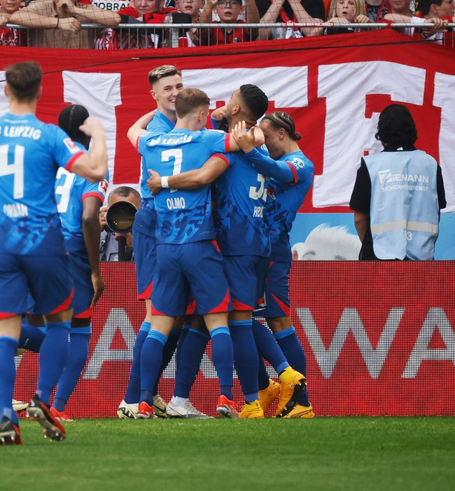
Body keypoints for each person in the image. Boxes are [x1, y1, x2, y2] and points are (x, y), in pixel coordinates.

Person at [0, 61, 107, 445]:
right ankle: (44, 400)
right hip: (45, 244)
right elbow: (95, 171)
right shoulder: (49, 136)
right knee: (61, 324)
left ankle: (7, 417)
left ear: (6, 91)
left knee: (5, 331)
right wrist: (97, 134)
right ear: (39, 92)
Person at [146, 88, 308, 420]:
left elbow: (202, 177)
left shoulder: (232, 147)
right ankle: (260, 389)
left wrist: (163, 181)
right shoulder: (254, 143)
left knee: (234, 321)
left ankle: (257, 394)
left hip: (226, 244)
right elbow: (255, 136)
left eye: (228, 101)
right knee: (222, 320)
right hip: (255, 245)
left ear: (234, 107)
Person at [127, 87, 247, 420]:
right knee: (217, 323)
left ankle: (144, 402)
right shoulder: (207, 138)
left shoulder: (150, 142)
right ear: (201, 114)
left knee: (158, 326)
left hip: (165, 248)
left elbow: (131, 131)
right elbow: (251, 141)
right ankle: (226, 398)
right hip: (199, 244)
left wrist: (155, 110)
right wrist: (233, 123)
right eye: (206, 114)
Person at [231, 111, 316, 418]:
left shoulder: (301, 164)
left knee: (277, 321)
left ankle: (300, 400)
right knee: (238, 316)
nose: (262, 143)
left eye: (266, 137)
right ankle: (266, 387)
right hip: (257, 248)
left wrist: (248, 148)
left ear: (282, 133)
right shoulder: (276, 161)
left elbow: (270, 168)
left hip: (272, 250)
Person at [117, 64, 182, 420]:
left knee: (176, 318)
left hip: (179, 228)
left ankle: (149, 393)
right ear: (154, 95)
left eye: (179, 86)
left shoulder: (180, 123)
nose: (174, 92)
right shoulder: (159, 131)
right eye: (167, 88)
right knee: (157, 315)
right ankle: (132, 398)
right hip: (157, 224)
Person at [50, 104, 108, 422]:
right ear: (87, 129)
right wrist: (95, 271)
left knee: (37, 323)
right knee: (79, 329)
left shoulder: (47, 161)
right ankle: (55, 407)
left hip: (37, 248)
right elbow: (89, 216)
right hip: (71, 253)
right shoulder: (91, 165)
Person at [349, 104, 446, 261]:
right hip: (423, 259)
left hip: (378, 259)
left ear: (382, 132)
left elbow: (359, 219)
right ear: (412, 130)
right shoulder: (431, 164)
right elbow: (436, 212)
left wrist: (370, 248)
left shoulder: (371, 166)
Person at [99, 186, 141, 262]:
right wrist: (93, 234)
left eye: (129, 211)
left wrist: (135, 247)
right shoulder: (102, 233)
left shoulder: (149, 235)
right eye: (117, 211)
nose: (122, 217)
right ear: (107, 211)